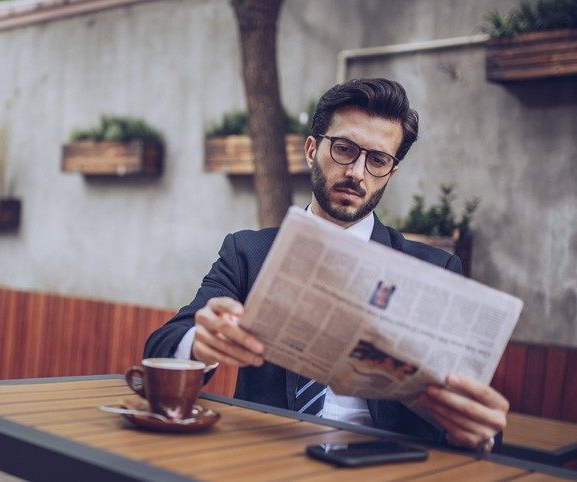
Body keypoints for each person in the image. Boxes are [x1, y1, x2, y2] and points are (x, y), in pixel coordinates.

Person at [144, 78, 507, 451]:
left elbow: (469, 410)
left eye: (377, 159)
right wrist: (199, 344)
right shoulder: (249, 251)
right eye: (345, 149)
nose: (356, 172)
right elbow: (160, 347)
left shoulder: (435, 268)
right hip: (268, 459)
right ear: (312, 149)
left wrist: (476, 431)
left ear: (391, 172)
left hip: (385, 466)